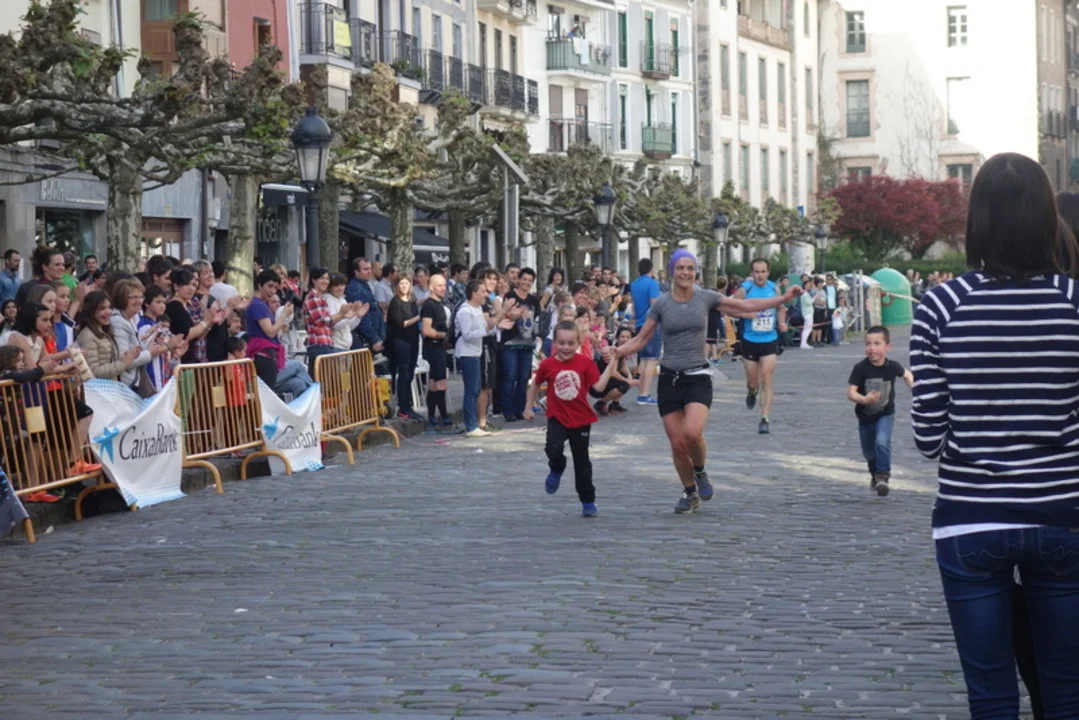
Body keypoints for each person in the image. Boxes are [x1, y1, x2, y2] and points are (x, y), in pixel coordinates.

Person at [911, 153, 1079, 719]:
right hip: (1063, 513)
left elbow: (928, 438)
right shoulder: (1073, 302)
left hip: (972, 515)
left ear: (977, 219)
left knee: (990, 693)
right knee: (1067, 689)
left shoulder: (941, 305)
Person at [614, 249, 800, 513]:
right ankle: (690, 492)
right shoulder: (662, 304)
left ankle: (700, 471)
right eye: (681, 268)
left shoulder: (706, 297)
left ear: (696, 272)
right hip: (670, 378)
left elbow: (744, 306)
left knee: (692, 433)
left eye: (690, 268)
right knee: (677, 443)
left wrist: (783, 298)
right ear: (672, 271)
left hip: (697, 376)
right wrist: (618, 351)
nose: (686, 273)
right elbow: (642, 338)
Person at [524, 321, 617, 517]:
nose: (566, 348)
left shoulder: (585, 363)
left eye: (570, 343)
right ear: (555, 343)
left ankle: (588, 500)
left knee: (582, 463)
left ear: (578, 343)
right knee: (553, 449)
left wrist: (611, 365)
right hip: (557, 417)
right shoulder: (548, 364)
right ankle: (557, 467)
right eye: (561, 343)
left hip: (581, 419)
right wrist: (528, 407)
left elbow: (598, 388)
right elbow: (535, 384)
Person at [846, 326, 912, 497]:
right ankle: (874, 474)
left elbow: (907, 375)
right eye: (868, 344)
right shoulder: (861, 368)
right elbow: (851, 392)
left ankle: (883, 476)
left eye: (877, 343)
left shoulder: (893, 366)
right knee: (869, 452)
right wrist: (864, 400)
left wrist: (917, 391)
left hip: (885, 413)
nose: (872, 348)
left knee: (882, 442)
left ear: (888, 347)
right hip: (865, 416)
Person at [733, 258, 788, 434]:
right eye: (756, 272)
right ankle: (751, 392)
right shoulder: (745, 290)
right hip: (749, 340)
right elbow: (730, 309)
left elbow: (781, 308)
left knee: (767, 377)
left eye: (763, 272)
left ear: (768, 272)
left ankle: (764, 418)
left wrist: (782, 323)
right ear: (752, 273)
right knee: (753, 382)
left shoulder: (774, 289)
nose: (760, 275)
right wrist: (747, 315)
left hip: (770, 339)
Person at [247, 269, 321, 398]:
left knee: (298, 383)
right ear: (259, 285)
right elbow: (270, 332)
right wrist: (284, 315)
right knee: (298, 366)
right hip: (264, 354)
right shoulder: (258, 305)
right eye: (270, 286)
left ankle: (308, 403)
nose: (272, 291)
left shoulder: (260, 304)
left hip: (270, 354)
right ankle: (316, 398)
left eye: (275, 287)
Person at [455, 279, 507, 437]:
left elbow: (484, 329)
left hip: (476, 353)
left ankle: (474, 423)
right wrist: (486, 330)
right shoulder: (465, 311)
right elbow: (467, 335)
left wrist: (497, 328)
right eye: (482, 292)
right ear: (474, 293)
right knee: (471, 390)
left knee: (477, 389)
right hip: (467, 354)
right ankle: (471, 426)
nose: (486, 295)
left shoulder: (477, 309)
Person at [110, 279, 170, 392]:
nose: (139, 301)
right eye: (134, 297)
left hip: (131, 383)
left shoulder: (129, 320)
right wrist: (150, 353)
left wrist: (150, 343)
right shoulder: (118, 322)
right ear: (121, 299)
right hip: (125, 386)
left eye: (141, 297)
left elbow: (135, 351)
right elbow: (125, 360)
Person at [499, 267, 539, 423]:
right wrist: (519, 313)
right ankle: (507, 410)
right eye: (524, 279)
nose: (526, 283)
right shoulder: (510, 296)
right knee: (510, 375)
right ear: (519, 280)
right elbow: (507, 315)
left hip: (527, 344)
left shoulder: (534, 300)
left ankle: (520, 408)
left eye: (530, 281)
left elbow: (537, 321)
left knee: (523, 377)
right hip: (510, 343)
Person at [303, 267, 359, 374]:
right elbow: (321, 321)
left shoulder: (321, 298)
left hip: (327, 343)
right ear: (314, 280)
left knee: (329, 380)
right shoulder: (312, 297)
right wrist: (341, 314)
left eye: (327, 278)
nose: (325, 281)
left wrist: (353, 315)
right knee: (320, 379)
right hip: (318, 344)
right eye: (322, 278)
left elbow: (330, 323)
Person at [420, 273, 457, 433]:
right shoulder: (429, 305)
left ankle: (435, 419)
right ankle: (443, 419)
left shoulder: (440, 303)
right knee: (438, 384)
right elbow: (426, 330)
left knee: (436, 385)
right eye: (439, 285)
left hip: (440, 348)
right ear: (431, 287)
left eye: (444, 285)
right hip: (433, 348)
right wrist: (445, 335)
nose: (443, 288)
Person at [76, 291, 142, 381]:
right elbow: (93, 372)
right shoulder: (87, 335)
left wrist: (127, 356)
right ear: (91, 311)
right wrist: (123, 363)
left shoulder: (104, 330)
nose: (108, 312)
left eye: (109, 307)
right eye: (102, 308)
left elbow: (108, 361)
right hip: (98, 388)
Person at [164, 267, 225, 365]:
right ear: (176, 286)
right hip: (180, 360)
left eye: (193, 285)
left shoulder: (187, 305)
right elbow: (187, 334)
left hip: (190, 359)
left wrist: (210, 321)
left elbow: (197, 336)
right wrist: (205, 321)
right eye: (186, 284)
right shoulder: (174, 305)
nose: (191, 288)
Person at [628, 259, 662, 406]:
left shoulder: (634, 284)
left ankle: (640, 392)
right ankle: (645, 394)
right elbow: (654, 304)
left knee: (643, 359)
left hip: (639, 324)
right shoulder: (653, 283)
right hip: (651, 324)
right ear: (651, 270)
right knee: (651, 360)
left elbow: (634, 306)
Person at [388, 276, 422, 421]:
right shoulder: (395, 302)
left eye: (406, 283)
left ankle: (409, 405)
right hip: (401, 341)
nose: (404, 286)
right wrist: (419, 317)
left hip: (413, 340)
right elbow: (401, 323)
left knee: (410, 373)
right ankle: (403, 407)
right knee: (404, 373)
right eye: (401, 283)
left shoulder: (412, 301)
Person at [346, 257, 386, 353]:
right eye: (365, 269)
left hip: (370, 336)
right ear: (356, 272)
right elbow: (362, 317)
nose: (369, 272)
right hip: (364, 339)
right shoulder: (356, 289)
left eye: (370, 269)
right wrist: (374, 339)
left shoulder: (364, 285)